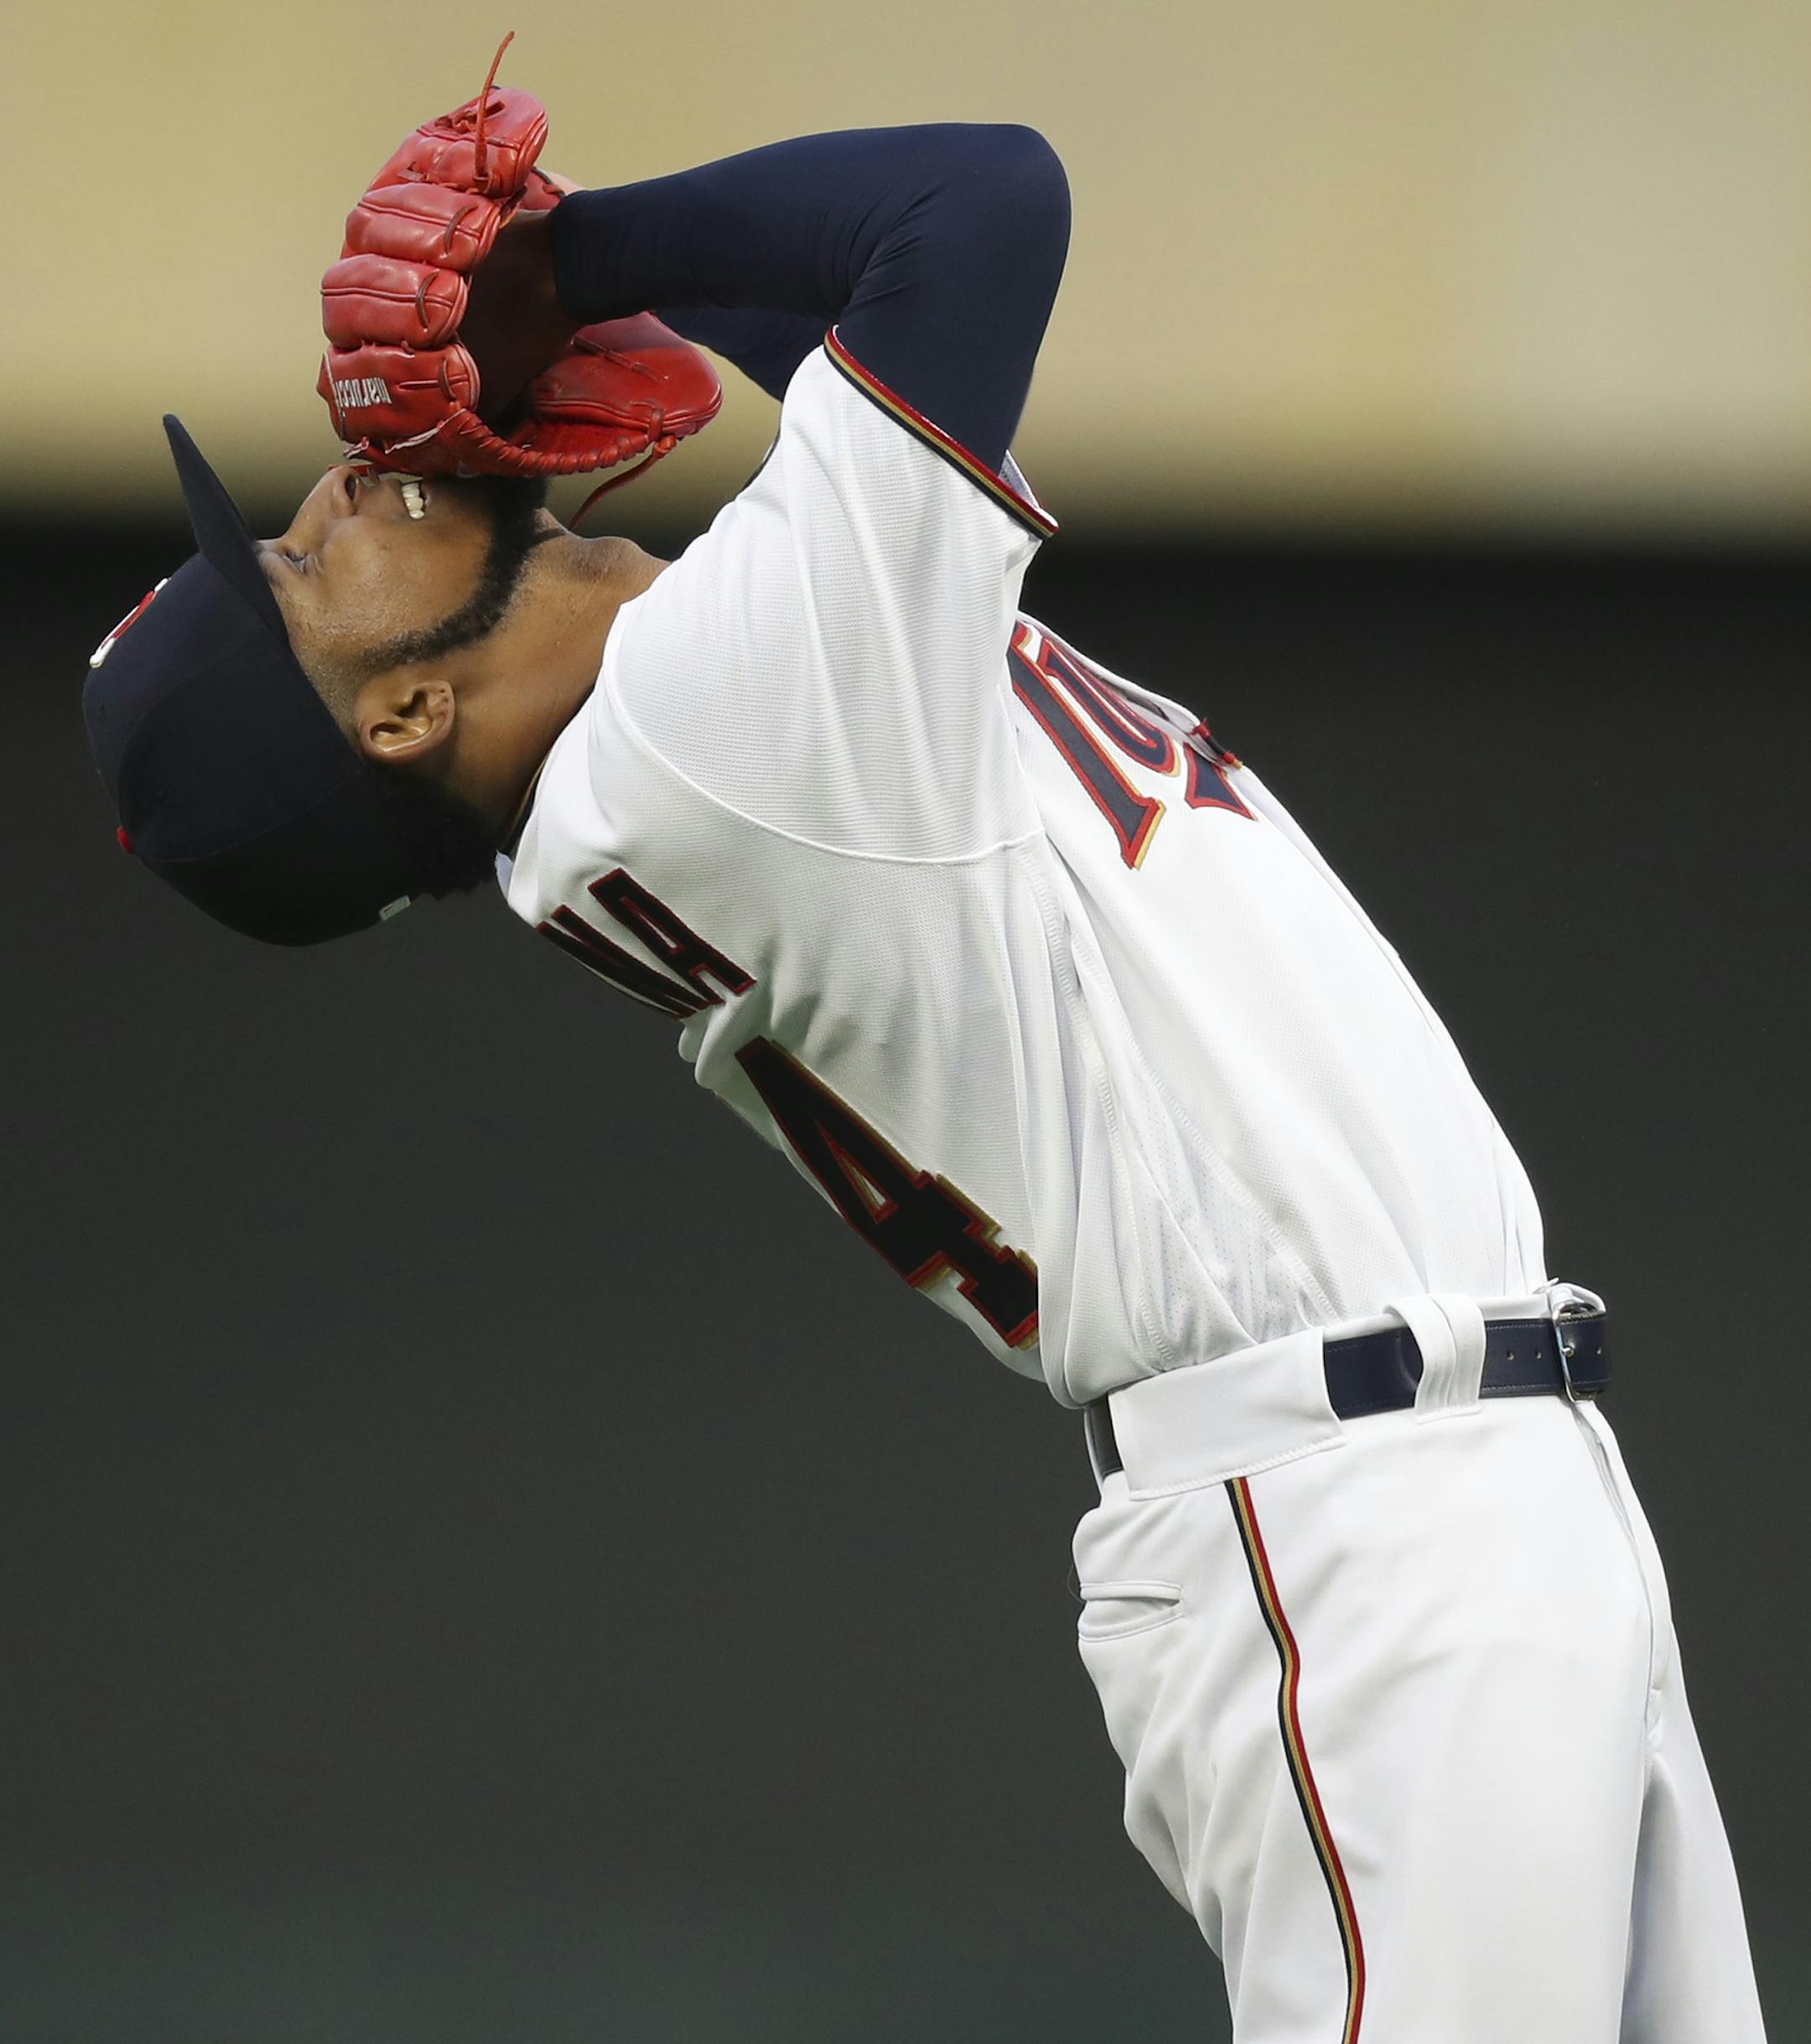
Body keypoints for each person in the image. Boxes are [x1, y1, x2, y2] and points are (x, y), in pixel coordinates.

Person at [82, 122, 1767, 2041]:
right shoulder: (710, 737)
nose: (346, 488)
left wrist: (595, 288)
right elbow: (974, 209)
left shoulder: (748, 702)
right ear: (398, 712)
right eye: (307, 566)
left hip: (1460, 1496)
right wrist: (588, 254)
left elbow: (882, 330)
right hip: (1356, 1530)